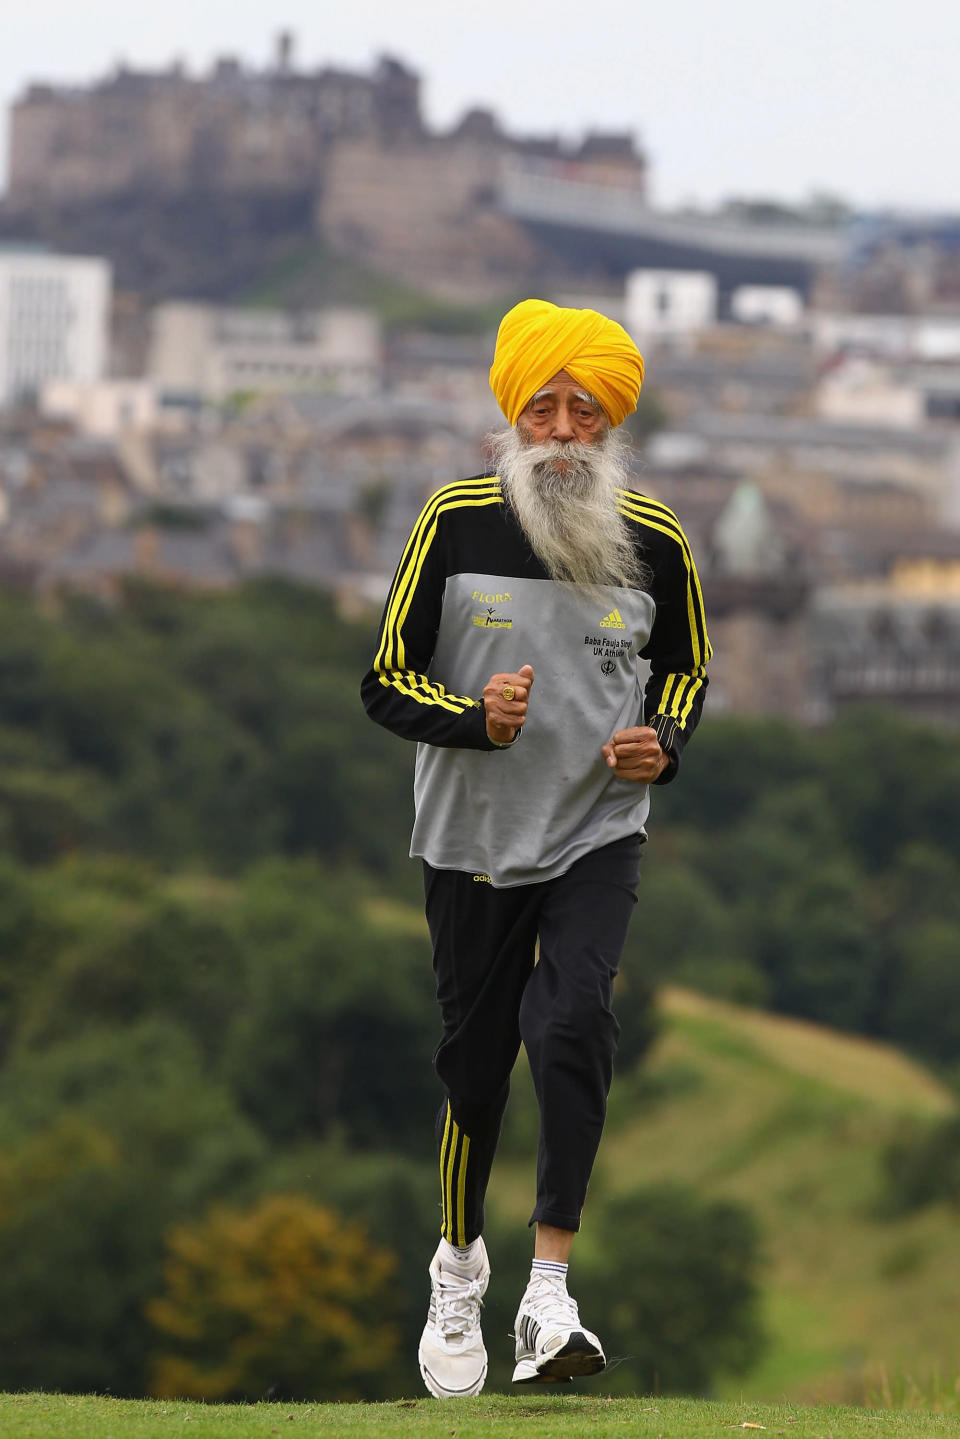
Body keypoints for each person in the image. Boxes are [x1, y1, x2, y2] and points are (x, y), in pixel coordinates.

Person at [360, 297, 710, 1398]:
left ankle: (548, 1285)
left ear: (611, 427)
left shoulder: (655, 538)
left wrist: (666, 742)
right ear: (514, 412)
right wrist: (476, 716)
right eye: (545, 408)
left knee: (573, 1021)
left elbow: (689, 668)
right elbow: (383, 677)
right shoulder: (455, 517)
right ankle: (458, 1264)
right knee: (475, 1061)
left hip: (596, 829)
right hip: (471, 835)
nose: (563, 431)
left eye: (585, 412)